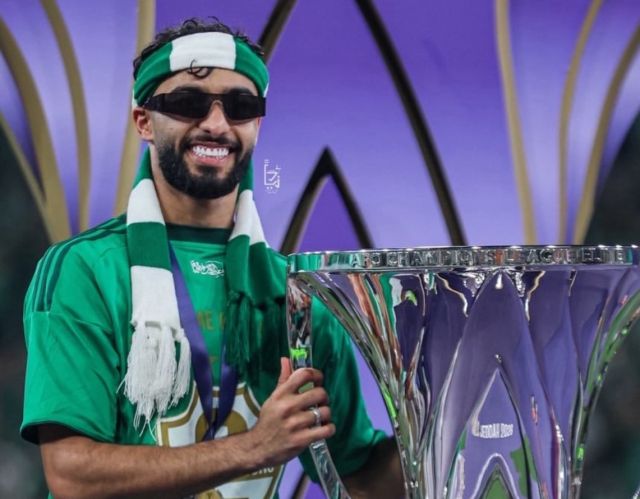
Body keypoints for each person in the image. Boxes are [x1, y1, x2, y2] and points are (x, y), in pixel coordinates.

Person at [21, 17, 403, 498]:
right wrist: (254, 447)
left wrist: (452, 429)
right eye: (188, 103)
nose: (217, 125)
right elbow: (72, 474)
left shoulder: (296, 297)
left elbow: (359, 474)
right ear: (143, 120)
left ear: (257, 125)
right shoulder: (85, 270)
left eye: (240, 107)